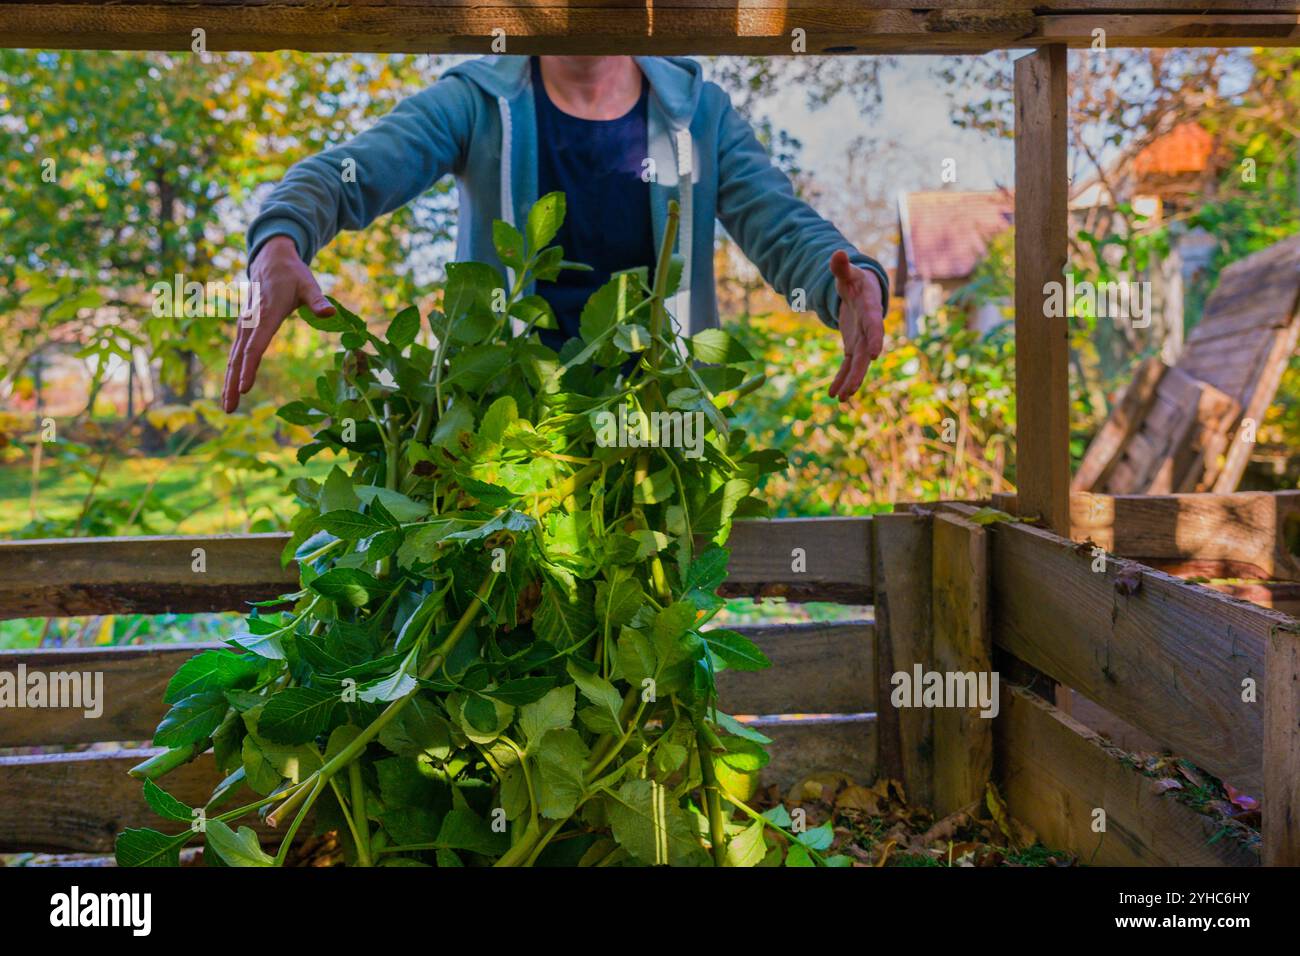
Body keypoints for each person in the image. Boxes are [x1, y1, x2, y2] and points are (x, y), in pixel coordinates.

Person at [222, 55, 889, 413]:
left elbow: (780, 224)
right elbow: (347, 174)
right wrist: (281, 240)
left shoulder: (701, 115)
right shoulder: (476, 102)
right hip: (502, 443)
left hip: (655, 443)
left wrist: (848, 287)